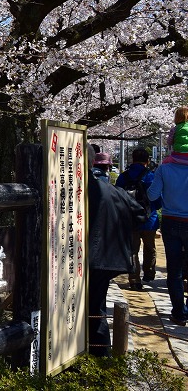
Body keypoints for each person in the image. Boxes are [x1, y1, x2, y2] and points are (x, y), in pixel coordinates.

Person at [86, 146, 144, 356]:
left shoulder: (78, 190)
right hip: (110, 257)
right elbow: (140, 215)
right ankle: (99, 355)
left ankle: (100, 356)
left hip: (88, 259)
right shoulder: (114, 191)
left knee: (93, 308)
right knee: (96, 305)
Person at [148, 122, 188, 325]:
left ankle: (179, 313)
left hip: (171, 222)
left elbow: (152, 194)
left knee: (174, 270)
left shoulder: (165, 167)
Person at [116, 147, 162, 290]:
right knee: (150, 248)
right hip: (149, 219)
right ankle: (149, 274)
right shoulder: (151, 176)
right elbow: (158, 199)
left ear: (132, 159)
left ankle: (134, 280)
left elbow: (117, 196)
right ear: (147, 161)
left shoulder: (124, 177)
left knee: (132, 250)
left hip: (130, 219)